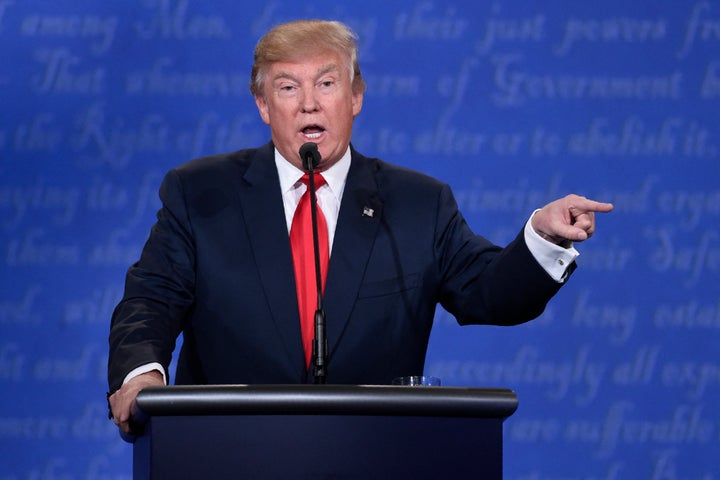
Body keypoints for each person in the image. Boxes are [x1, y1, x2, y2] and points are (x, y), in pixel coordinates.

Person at [107, 19, 613, 434]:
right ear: (263, 105)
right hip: (227, 450)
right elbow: (149, 300)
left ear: (356, 97)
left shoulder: (418, 204)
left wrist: (543, 239)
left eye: (326, 83)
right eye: (288, 87)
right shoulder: (200, 193)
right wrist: (142, 374)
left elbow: (490, 292)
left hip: (378, 453)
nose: (309, 103)